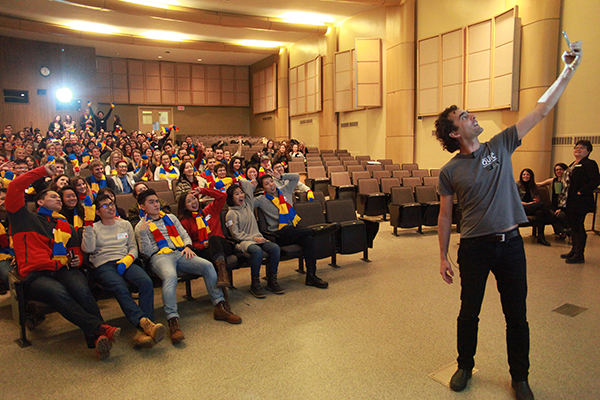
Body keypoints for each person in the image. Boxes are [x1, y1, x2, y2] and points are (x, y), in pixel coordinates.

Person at [436, 40, 582, 400]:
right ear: (455, 133)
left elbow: (542, 109)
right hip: (474, 248)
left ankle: (520, 377)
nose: (472, 116)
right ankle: (464, 365)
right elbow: (445, 214)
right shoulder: (449, 171)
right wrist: (442, 255)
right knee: (468, 313)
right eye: (464, 116)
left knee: (516, 315)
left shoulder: (500, 144)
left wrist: (568, 70)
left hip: (511, 246)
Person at [6, 163, 120, 360]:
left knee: (82, 290)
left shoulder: (64, 225)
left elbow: (75, 250)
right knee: (59, 292)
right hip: (36, 274)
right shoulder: (23, 218)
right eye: (53, 196)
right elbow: (15, 187)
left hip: (63, 269)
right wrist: (42, 171)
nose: (58, 199)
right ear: (39, 202)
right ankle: (99, 329)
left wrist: (77, 260)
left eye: (59, 198)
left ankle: (97, 338)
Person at [134, 189, 241, 343]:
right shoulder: (141, 226)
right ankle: (173, 321)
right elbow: (145, 253)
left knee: (207, 266)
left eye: (157, 201)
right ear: (142, 207)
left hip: (179, 252)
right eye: (151, 202)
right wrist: (144, 233)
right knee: (170, 277)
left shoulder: (170, 218)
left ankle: (220, 306)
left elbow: (184, 235)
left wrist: (187, 246)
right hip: (159, 257)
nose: (156, 205)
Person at [82, 193, 166, 348]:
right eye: (105, 206)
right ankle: (144, 324)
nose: (111, 207)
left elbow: (133, 247)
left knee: (146, 282)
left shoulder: (125, 224)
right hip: (104, 264)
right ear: (97, 212)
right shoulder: (93, 228)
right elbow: (88, 249)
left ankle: (143, 329)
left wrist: (128, 259)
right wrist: (87, 225)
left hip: (125, 261)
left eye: (112, 204)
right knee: (120, 287)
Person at [255, 174, 334, 289]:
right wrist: (252, 186)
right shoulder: (260, 200)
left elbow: (296, 177)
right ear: (262, 188)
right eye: (266, 184)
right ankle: (315, 231)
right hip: (277, 234)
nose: (271, 185)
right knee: (303, 232)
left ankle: (311, 276)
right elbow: (246, 203)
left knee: (308, 239)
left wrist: (281, 176)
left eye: (271, 181)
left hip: (293, 230)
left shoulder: (285, 191)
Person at [225, 181, 282, 298]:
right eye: (236, 194)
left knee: (275, 248)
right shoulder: (231, 214)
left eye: (241, 193)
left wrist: (239, 180)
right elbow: (235, 235)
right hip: (243, 242)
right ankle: (255, 284)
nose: (241, 195)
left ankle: (272, 280)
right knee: (257, 251)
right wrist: (253, 239)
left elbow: (247, 186)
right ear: (231, 198)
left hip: (257, 238)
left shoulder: (248, 206)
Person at [177, 188, 233, 288]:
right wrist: (202, 245)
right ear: (184, 206)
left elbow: (222, 196)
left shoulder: (209, 210)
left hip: (222, 245)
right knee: (212, 256)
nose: (193, 202)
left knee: (213, 238)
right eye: (189, 201)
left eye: (194, 198)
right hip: (205, 250)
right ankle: (222, 278)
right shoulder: (185, 222)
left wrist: (202, 191)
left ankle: (222, 278)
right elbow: (188, 242)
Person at [557, 140, 600, 264]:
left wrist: (581, 191)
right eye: (576, 147)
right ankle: (574, 250)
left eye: (582, 147)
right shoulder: (573, 164)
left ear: (588, 151)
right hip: (570, 201)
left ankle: (579, 254)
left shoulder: (589, 163)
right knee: (574, 227)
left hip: (580, 201)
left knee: (578, 227)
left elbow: (595, 180)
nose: (578, 149)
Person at [516, 168, 553, 246]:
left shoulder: (533, 186)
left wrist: (535, 201)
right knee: (542, 205)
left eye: (527, 174)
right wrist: (529, 203)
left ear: (531, 176)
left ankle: (541, 237)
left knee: (540, 213)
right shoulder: (517, 185)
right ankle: (553, 220)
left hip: (531, 207)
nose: (525, 176)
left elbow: (535, 197)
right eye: (524, 174)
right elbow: (515, 200)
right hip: (521, 208)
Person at [536, 163, 569, 238]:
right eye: (557, 170)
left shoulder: (568, 181)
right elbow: (540, 184)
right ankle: (561, 231)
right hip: (554, 205)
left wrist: (561, 208)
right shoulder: (553, 180)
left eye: (561, 169)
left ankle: (566, 232)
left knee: (560, 215)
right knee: (550, 213)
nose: (558, 171)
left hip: (565, 205)